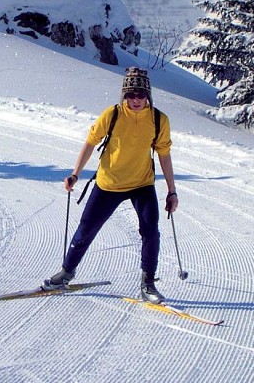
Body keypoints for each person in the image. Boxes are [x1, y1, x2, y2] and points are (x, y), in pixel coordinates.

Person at [42, 66, 178, 304]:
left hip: (142, 184)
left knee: (150, 231)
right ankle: (66, 273)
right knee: (86, 229)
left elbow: (164, 155)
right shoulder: (112, 114)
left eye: (141, 94)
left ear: (148, 95)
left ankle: (148, 284)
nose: (136, 100)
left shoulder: (158, 120)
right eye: (131, 94)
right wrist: (75, 174)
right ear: (124, 95)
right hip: (108, 184)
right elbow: (90, 142)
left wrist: (171, 191)